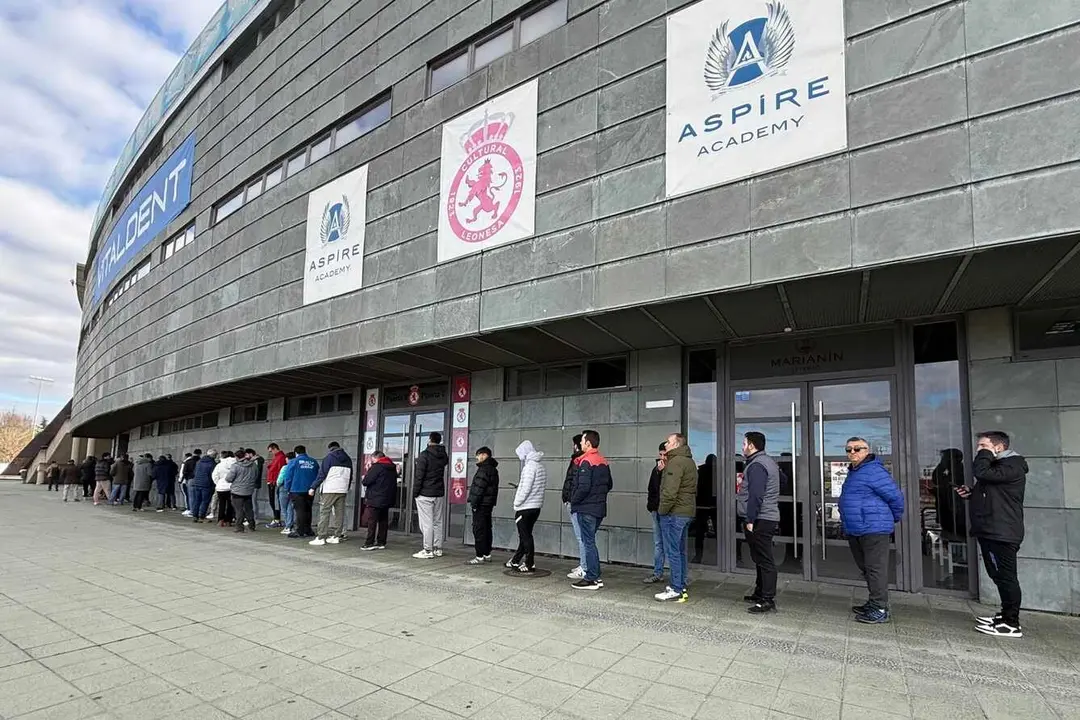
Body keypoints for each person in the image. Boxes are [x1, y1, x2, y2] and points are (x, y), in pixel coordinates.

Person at [958, 431, 1027, 638]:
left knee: (1006, 577)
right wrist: (972, 493)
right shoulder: (1000, 468)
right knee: (998, 575)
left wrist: (983, 455)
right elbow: (993, 492)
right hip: (992, 530)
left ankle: (1011, 623)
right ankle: (1005, 615)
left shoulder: (1012, 465)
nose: (979, 450)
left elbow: (982, 473)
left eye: (983, 446)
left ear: (998, 447)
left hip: (1002, 532)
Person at [837, 436, 905, 624]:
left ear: (867, 451)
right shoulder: (855, 472)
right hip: (857, 529)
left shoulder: (874, 471)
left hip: (873, 529)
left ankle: (880, 608)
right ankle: (874, 602)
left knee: (876, 569)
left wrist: (892, 519)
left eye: (857, 449)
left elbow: (896, 498)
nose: (852, 453)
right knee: (866, 568)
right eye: (848, 449)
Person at [739, 432, 781, 614]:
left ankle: (767, 599)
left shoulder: (757, 465)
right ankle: (760, 592)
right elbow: (783, 481)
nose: (742, 447)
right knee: (759, 557)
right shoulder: (768, 462)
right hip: (765, 516)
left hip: (761, 519)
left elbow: (756, 495)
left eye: (744, 443)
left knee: (764, 559)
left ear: (752, 445)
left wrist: (750, 519)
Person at [654, 434, 697, 603]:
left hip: (674, 513)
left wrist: (662, 511)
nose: (666, 444)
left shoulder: (676, 462)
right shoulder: (688, 461)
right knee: (680, 551)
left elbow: (670, 492)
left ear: (676, 444)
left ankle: (676, 588)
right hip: (685, 512)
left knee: (673, 552)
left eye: (669, 442)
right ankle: (680, 583)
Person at [569, 430, 613, 590]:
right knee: (590, 542)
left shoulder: (586, 461)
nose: (580, 443)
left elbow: (583, 487)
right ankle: (594, 576)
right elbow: (609, 485)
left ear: (588, 443)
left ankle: (592, 578)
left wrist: (573, 502)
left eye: (582, 441)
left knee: (588, 543)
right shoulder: (603, 461)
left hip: (586, 508)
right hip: (598, 508)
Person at [508, 440, 546, 573]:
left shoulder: (529, 467)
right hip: (536, 506)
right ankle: (515, 560)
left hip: (525, 507)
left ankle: (530, 563)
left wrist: (517, 502)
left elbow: (526, 488)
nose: (521, 458)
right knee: (525, 535)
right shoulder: (539, 466)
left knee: (525, 536)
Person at [412, 432, 449, 559]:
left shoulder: (425, 455)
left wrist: (415, 492)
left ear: (429, 440)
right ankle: (438, 548)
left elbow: (419, 476)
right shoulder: (443, 455)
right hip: (439, 492)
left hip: (425, 493)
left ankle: (427, 550)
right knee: (437, 521)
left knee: (426, 523)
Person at [310, 442, 353, 546]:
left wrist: (313, 487)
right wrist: (346, 488)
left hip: (329, 489)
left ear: (330, 449)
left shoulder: (329, 458)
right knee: (339, 513)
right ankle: (337, 536)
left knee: (324, 512)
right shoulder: (348, 459)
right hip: (342, 490)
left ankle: (321, 537)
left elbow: (322, 474)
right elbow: (350, 476)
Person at [467, 446, 499, 565]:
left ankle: (479, 556)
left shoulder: (484, 469)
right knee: (487, 529)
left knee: (479, 529)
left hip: (481, 504)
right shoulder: (493, 469)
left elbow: (479, 488)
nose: (477, 457)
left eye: (478, 455)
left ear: (484, 455)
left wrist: (474, 503)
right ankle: (487, 553)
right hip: (488, 504)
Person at [361, 451, 398, 550]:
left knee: (372, 521)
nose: (372, 461)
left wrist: (366, 476)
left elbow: (366, 481)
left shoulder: (377, 467)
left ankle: (369, 543)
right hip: (387, 498)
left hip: (375, 498)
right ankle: (381, 542)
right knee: (383, 521)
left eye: (372, 459)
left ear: (376, 458)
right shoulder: (392, 467)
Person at [643, 442, 668, 584]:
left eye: (665, 454)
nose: (662, 457)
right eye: (660, 454)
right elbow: (652, 488)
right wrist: (651, 506)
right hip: (656, 509)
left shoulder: (673, 468)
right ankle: (658, 573)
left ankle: (679, 577)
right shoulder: (656, 469)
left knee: (670, 544)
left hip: (668, 511)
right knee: (658, 543)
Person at [562, 434, 586, 580]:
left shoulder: (579, 460)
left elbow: (575, 482)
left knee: (581, 537)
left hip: (575, 503)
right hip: (574, 501)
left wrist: (570, 499)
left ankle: (584, 567)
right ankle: (583, 564)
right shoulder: (578, 459)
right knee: (582, 537)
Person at [286, 446, 319, 538]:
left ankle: (300, 531)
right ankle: (308, 530)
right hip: (310, 490)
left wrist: (287, 488)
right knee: (308, 510)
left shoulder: (294, 462)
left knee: (300, 510)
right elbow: (317, 475)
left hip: (296, 489)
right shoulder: (313, 461)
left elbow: (288, 477)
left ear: (296, 453)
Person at [226, 452, 260, 533]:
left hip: (237, 491)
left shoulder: (235, 466)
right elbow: (256, 475)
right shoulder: (254, 465)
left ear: (237, 457)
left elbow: (229, 478)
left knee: (239, 510)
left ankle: (239, 527)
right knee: (249, 509)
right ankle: (252, 525)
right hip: (249, 490)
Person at [190, 450, 217, 522]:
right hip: (206, 484)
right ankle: (202, 516)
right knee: (205, 501)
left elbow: (195, 472)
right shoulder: (212, 463)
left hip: (196, 483)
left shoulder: (199, 462)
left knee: (197, 500)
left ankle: (195, 516)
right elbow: (213, 475)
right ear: (213, 455)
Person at [265, 443, 287, 528]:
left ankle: (277, 519)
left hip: (274, 482)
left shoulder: (280, 457)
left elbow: (280, 470)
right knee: (273, 501)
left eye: (271, 451)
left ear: (274, 448)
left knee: (274, 501)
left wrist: (275, 481)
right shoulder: (278, 457)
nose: (271, 453)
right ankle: (277, 519)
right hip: (272, 481)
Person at [212, 450, 237, 527]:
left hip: (221, 488)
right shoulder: (235, 464)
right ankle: (229, 521)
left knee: (222, 504)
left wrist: (218, 483)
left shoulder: (219, 465)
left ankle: (220, 520)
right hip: (231, 487)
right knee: (230, 505)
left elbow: (214, 476)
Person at [277, 451, 297, 535]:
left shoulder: (285, 467)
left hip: (284, 488)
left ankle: (287, 526)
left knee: (284, 508)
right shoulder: (296, 467)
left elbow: (280, 479)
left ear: (288, 459)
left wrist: (278, 484)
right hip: (293, 489)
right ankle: (291, 526)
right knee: (290, 508)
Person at [181, 450, 201, 516]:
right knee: (199, 496)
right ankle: (199, 511)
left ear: (193, 453)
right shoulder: (201, 461)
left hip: (190, 479)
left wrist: (187, 479)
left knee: (191, 496)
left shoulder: (188, 461)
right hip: (199, 480)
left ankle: (192, 511)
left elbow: (184, 472)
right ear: (200, 454)